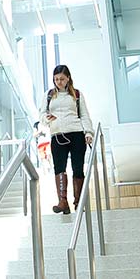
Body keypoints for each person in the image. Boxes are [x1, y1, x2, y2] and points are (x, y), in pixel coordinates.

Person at [43, 64, 94, 214]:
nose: (58, 82)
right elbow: (41, 115)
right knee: (59, 168)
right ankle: (63, 202)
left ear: (68, 79)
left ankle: (79, 203)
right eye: (56, 79)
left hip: (76, 134)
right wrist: (46, 119)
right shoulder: (48, 95)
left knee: (77, 168)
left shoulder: (76, 94)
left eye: (62, 79)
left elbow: (84, 115)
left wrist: (88, 133)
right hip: (57, 135)